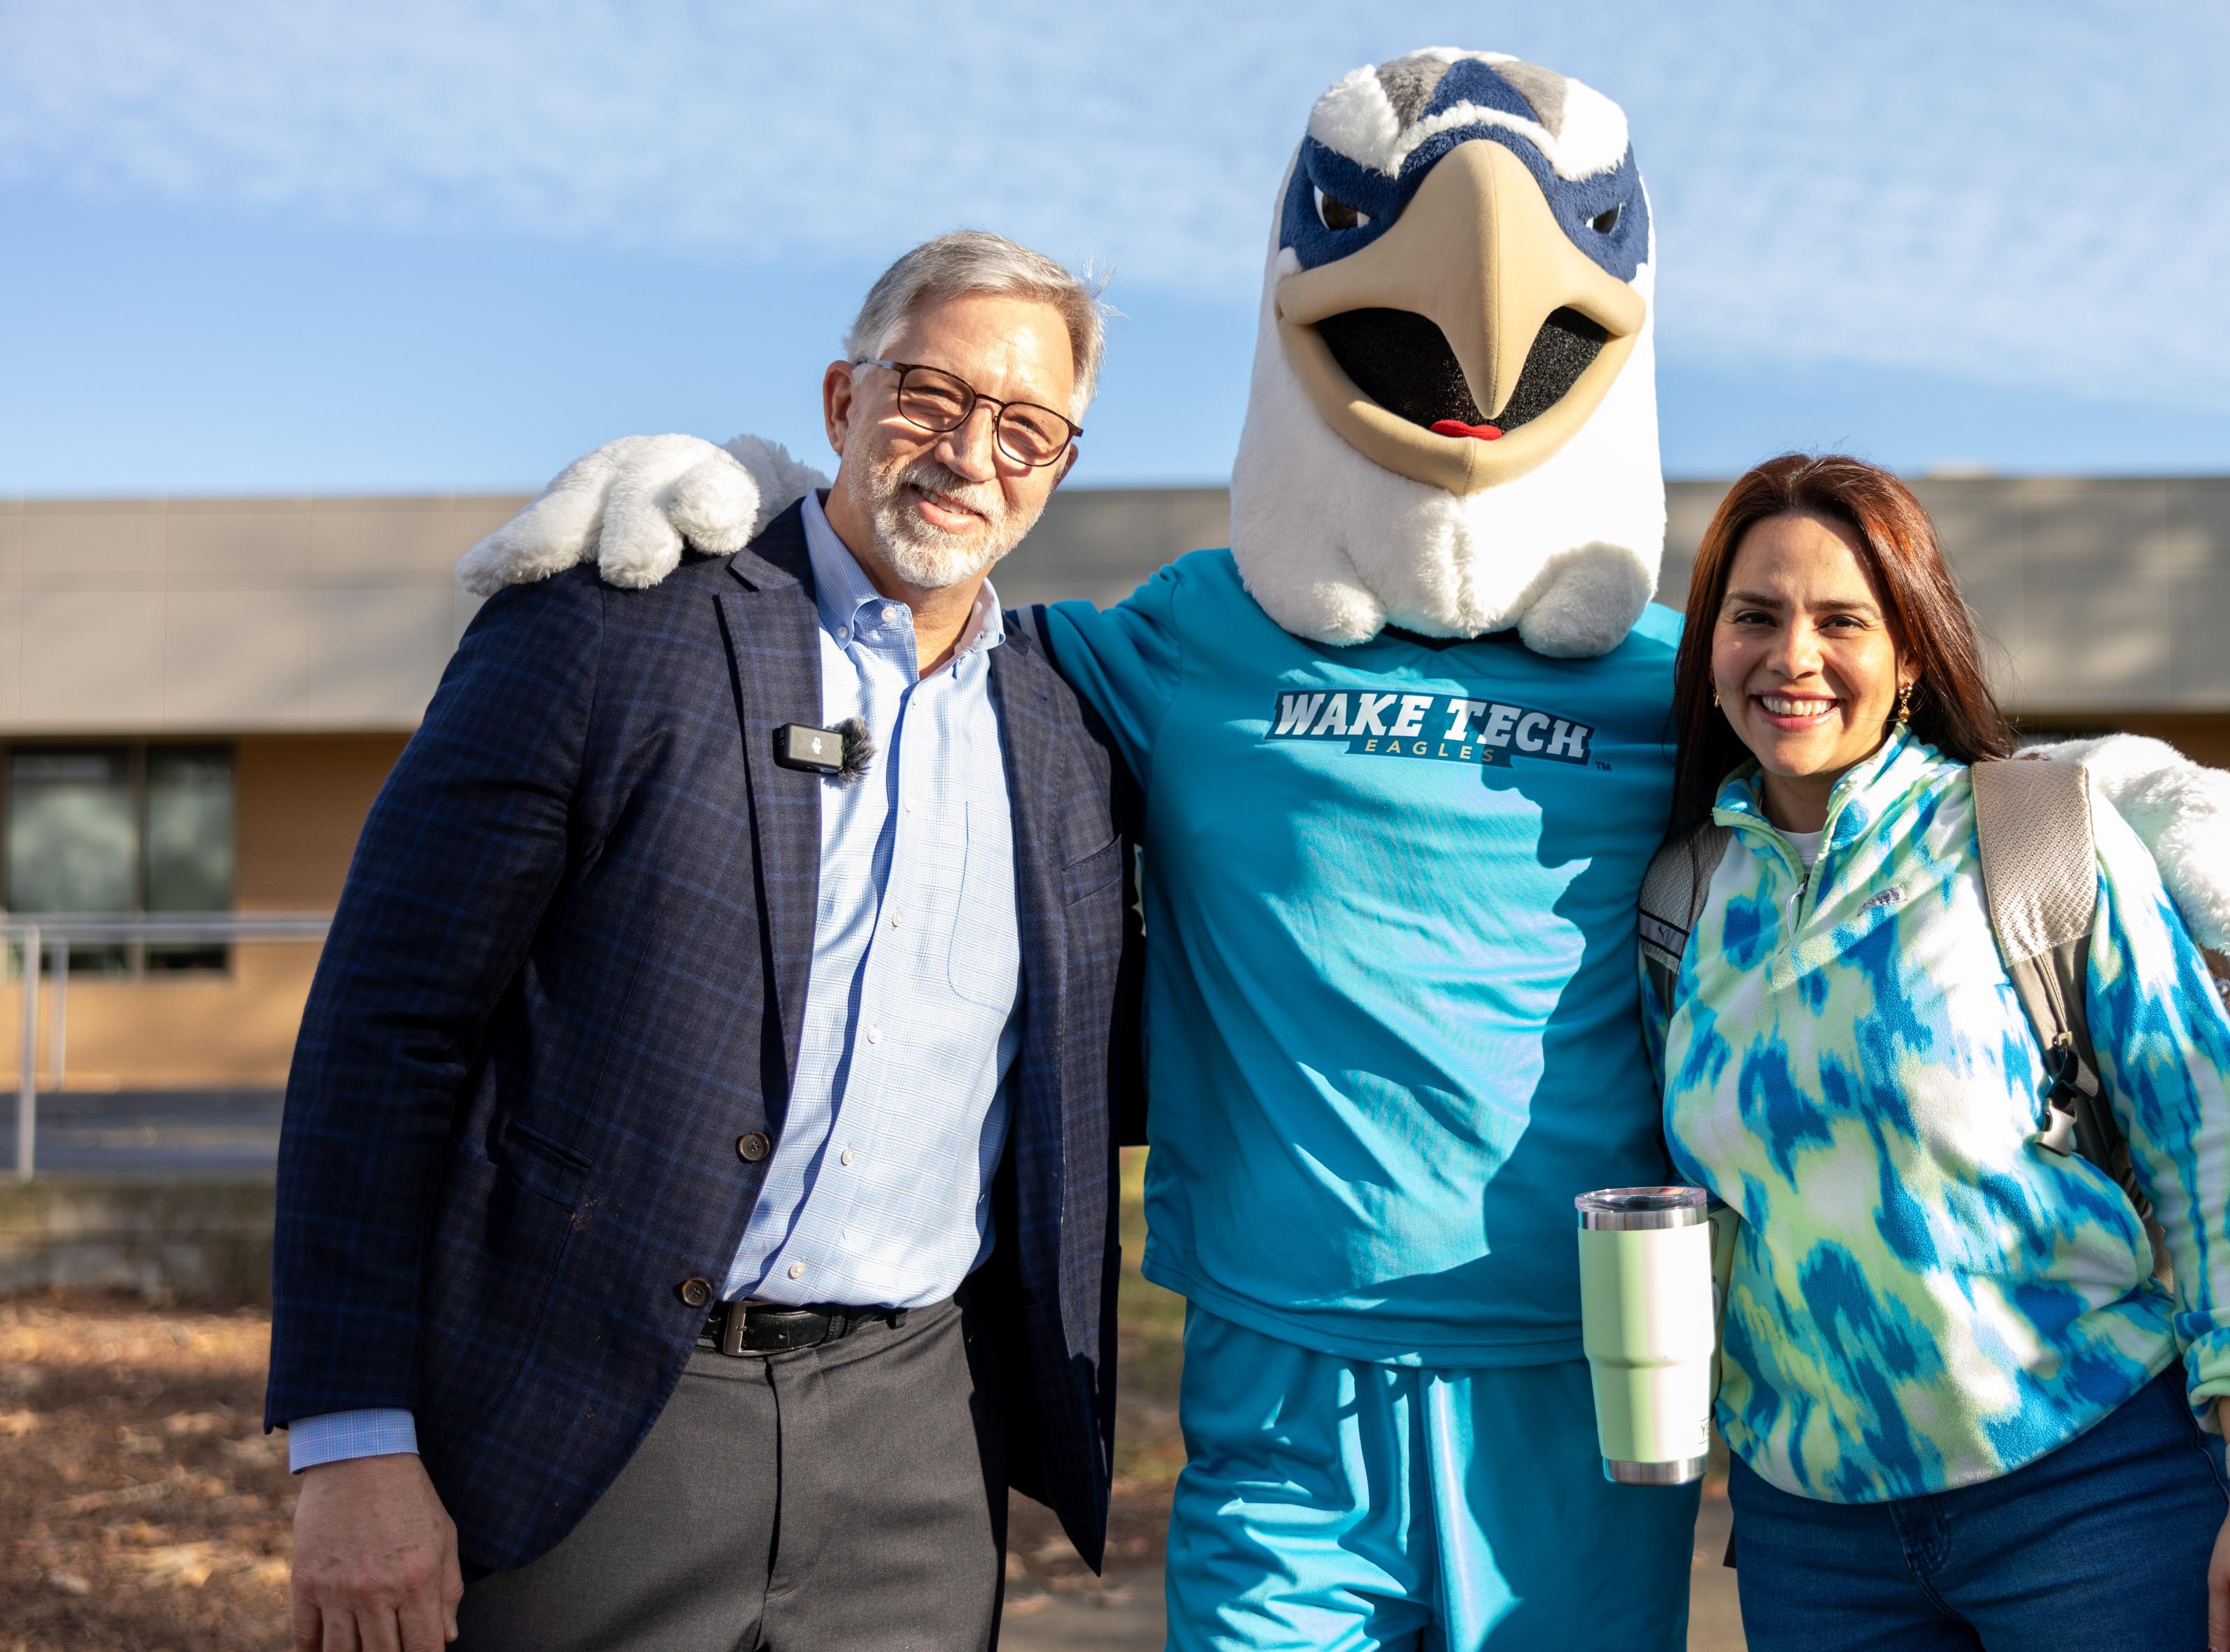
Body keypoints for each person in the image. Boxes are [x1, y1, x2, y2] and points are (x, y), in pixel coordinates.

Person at [460, 50, 1708, 1652]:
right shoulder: (1199, 634)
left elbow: (1885, 798)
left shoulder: (1676, 683)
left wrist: (2096, 795)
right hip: (1280, 1365)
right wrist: (760, 506)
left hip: (1582, 1354)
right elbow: (934, 630)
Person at [263, 230, 1142, 1652]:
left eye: (1026, 425)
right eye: (930, 393)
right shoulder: (609, 630)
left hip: (918, 1442)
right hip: (591, 1420)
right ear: (844, 402)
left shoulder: (1069, 732)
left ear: (1058, 466)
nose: (971, 450)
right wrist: (349, 1434)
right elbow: (385, 1027)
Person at [1642, 455, 2230, 1652]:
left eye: (1841, 620)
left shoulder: (2037, 830)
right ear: (1710, 649)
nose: (1792, 654)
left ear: (1909, 652)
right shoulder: (1683, 901)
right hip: (1813, 1539)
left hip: (2088, 1494)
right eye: (1754, 616)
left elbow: (2210, 1151)